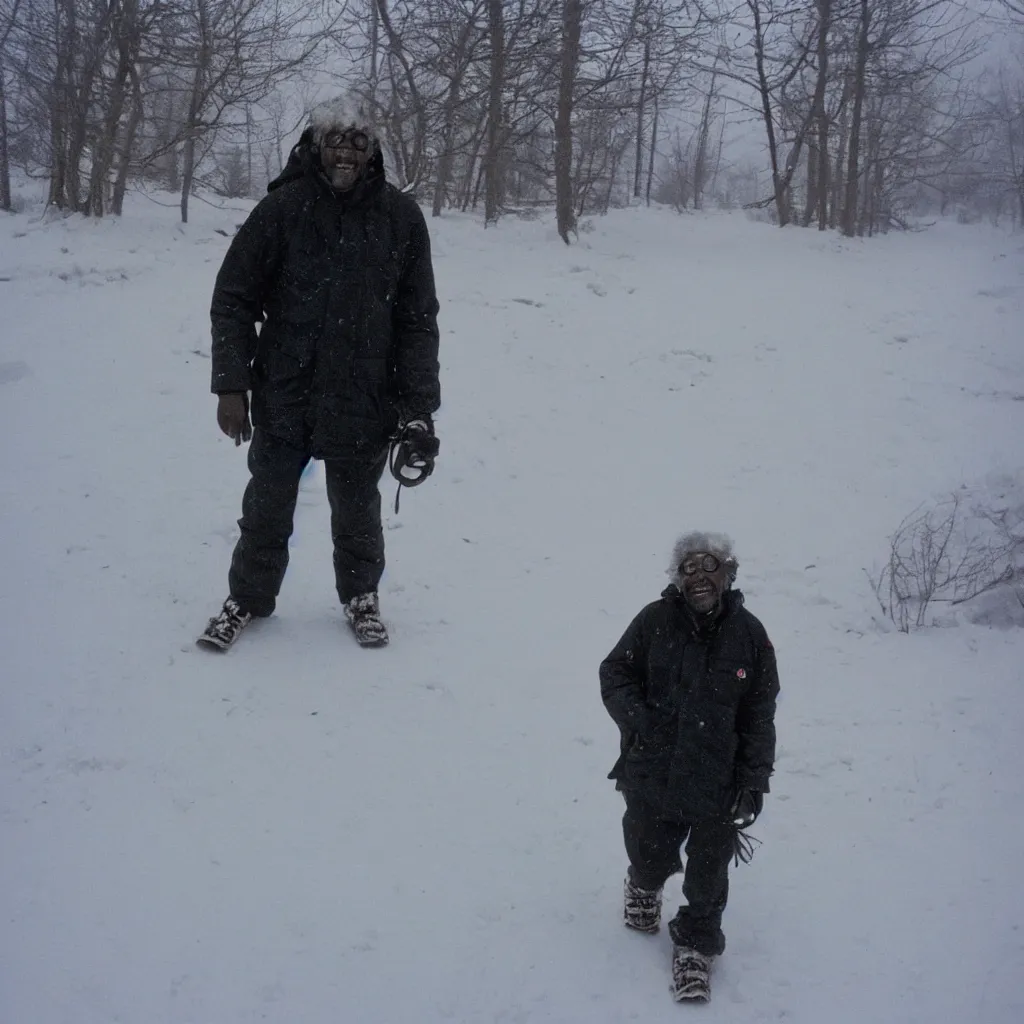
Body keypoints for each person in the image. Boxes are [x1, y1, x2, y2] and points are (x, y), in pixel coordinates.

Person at [198, 97, 440, 650]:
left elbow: (417, 321)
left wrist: (418, 409)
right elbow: (233, 299)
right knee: (267, 505)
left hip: (364, 396)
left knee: (357, 510)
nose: (346, 151)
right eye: (335, 139)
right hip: (284, 391)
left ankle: (361, 598)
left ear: (373, 151)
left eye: (358, 141)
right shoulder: (281, 211)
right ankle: (248, 599)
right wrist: (231, 385)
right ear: (314, 145)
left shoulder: (401, 219)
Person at [599, 532, 779, 1002]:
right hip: (651, 769)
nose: (698, 575)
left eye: (709, 564)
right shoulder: (654, 621)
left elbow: (760, 713)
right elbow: (614, 672)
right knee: (648, 848)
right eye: (688, 568)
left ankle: (696, 950)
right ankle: (643, 883)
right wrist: (640, 720)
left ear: (728, 573)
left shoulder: (751, 636)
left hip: (717, 780)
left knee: (708, 872)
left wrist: (754, 779)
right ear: (678, 580)